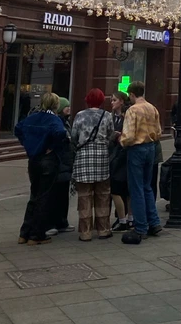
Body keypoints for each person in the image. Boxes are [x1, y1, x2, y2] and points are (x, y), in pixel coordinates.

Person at [15, 92, 69, 245]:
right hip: (48, 161)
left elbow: (18, 129)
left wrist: (28, 144)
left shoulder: (32, 117)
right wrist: (52, 147)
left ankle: (24, 233)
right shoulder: (54, 119)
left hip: (33, 160)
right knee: (44, 197)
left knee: (34, 195)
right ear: (56, 104)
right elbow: (61, 133)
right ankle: (37, 234)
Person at [119, 81, 162, 245]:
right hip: (151, 147)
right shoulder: (152, 108)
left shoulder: (133, 110)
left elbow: (129, 135)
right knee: (147, 186)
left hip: (136, 149)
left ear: (131, 94)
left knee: (136, 188)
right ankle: (154, 223)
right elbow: (158, 131)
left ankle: (141, 227)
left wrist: (121, 141)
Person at [71, 88, 114, 241]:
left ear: (87, 100)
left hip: (83, 157)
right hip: (101, 157)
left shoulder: (79, 115)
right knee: (103, 194)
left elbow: (74, 136)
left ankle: (85, 232)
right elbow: (111, 135)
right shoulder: (107, 115)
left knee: (84, 195)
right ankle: (103, 230)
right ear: (102, 100)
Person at [47, 98, 75, 237]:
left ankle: (62, 222)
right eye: (65, 106)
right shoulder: (55, 122)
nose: (68, 108)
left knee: (63, 195)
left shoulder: (66, 122)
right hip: (58, 162)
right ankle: (50, 223)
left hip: (66, 163)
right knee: (53, 195)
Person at [110, 91, 131, 231]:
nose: (112, 102)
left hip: (122, 155)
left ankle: (125, 220)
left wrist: (119, 136)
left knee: (118, 189)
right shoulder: (113, 117)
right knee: (124, 189)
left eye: (114, 100)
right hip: (117, 154)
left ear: (121, 101)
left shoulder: (126, 116)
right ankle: (126, 219)